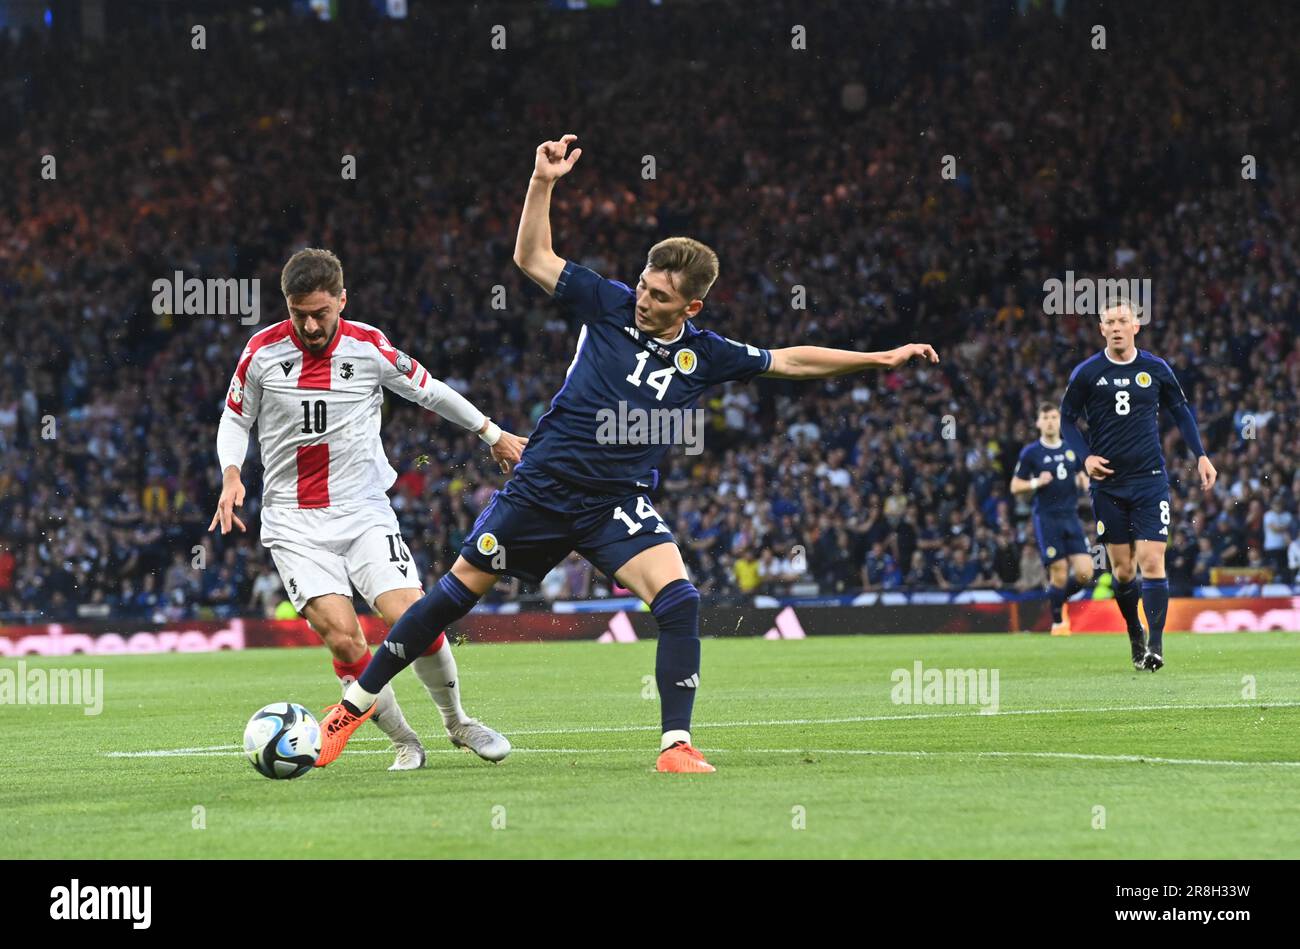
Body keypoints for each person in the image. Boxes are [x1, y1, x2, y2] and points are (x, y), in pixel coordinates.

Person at [315, 133, 939, 773]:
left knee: (680, 600)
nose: (643, 300)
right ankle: (354, 706)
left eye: (659, 298)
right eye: (643, 286)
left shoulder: (707, 355)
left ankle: (676, 747)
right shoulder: (606, 301)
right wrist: (543, 182)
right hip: (542, 488)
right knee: (450, 598)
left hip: (615, 502)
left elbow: (789, 360)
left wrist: (879, 356)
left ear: (691, 307)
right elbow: (532, 256)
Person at [210, 248, 526, 770]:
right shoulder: (261, 352)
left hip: (361, 510)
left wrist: (491, 434)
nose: (310, 325)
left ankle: (458, 722)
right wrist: (231, 473)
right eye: (298, 314)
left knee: (412, 617)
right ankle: (405, 740)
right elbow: (235, 419)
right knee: (342, 633)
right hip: (293, 520)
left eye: (320, 312)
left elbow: (431, 391)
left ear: (342, 300)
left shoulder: (369, 346)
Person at [1059, 300, 1216, 671]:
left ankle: (1156, 647)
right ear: (1101, 329)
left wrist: (1201, 455)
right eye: (1109, 321)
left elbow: (1181, 411)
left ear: (1136, 326)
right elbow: (1067, 421)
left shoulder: (1156, 369)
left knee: (1152, 561)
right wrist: (1085, 457)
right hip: (1109, 486)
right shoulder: (1087, 373)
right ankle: (1134, 630)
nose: (1116, 327)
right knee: (1124, 571)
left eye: (1122, 320)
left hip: (1149, 482)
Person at [1010, 403, 1094, 635]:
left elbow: (1080, 474)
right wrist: (1037, 482)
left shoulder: (1070, 449)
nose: (1049, 421)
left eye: (1053, 417)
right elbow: (1015, 486)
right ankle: (1058, 622)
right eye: (1045, 417)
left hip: (1071, 516)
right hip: (1046, 517)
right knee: (1058, 570)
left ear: (1060, 420)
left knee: (1086, 573)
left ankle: (1056, 599)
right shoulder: (1031, 452)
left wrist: (1088, 485)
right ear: (1038, 422)